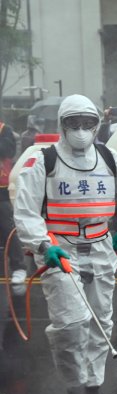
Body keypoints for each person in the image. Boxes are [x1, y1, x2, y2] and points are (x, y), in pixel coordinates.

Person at [14, 94, 117, 394]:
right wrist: (44, 246)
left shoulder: (109, 158)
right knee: (71, 324)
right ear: (62, 124)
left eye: (88, 123)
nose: (81, 130)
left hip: (101, 247)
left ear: (97, 125)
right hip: (61, 251)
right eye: (74, 123)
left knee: (100, 321)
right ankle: (74, 389)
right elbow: (26, 210)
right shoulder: (44, 161)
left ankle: (92, 388)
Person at [0, 116, 26, 285]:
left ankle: (18, 266)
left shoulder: (4, 129)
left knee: (6, 226)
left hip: (1, 188)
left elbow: (7, 150)